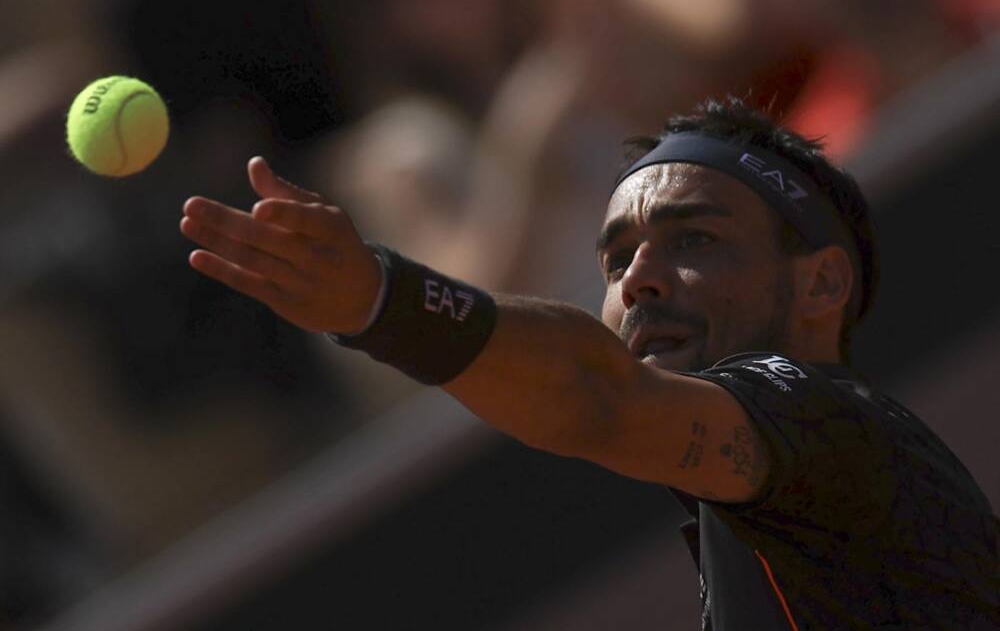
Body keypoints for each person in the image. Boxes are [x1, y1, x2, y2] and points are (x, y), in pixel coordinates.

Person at [178, 98, 1000, 629]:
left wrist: (382, 301)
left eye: (693, 239)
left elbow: (596, 394)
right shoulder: (777, 505)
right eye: (615, 261)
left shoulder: (832, 421)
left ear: (820, 283)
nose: (637, 280)